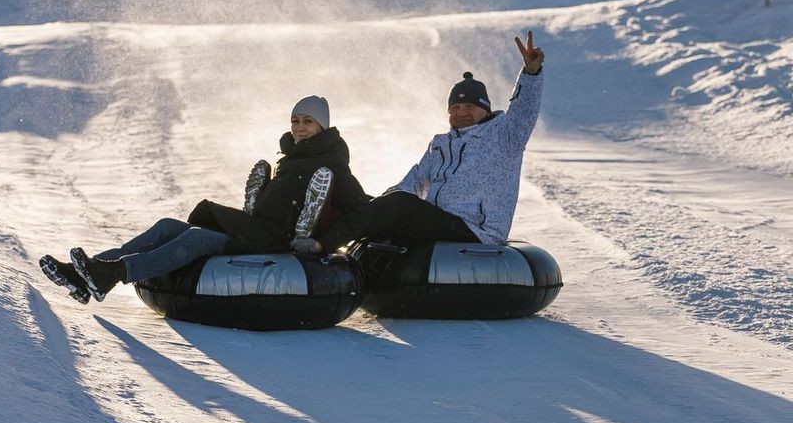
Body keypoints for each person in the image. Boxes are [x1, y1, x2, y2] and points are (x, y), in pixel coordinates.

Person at [39, 95, 368, 303]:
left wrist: (321, 243)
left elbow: (358, 209)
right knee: (168, 226)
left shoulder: (332, 163)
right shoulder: (290, 158)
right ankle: (83, 274)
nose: (299, 127)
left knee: (197, 237)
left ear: (322, 125)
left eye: (307, 121)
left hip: (277, 243)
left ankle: (111, 274)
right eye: (295, 120)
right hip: (256, 230)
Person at [313, 31, 545, 251]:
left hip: (475, 229)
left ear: (485, 109)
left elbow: (524, 111)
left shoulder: (504, 137)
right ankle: (313, 221)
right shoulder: (441, 145)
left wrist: (531, 73)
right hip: (438, 222)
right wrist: (375, 202)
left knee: (400, 206)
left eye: (469, 107)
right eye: (455, 107)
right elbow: (414, 181)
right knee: (373, 202)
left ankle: (322, 242)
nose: (461, 112)